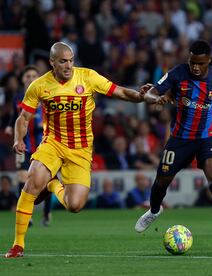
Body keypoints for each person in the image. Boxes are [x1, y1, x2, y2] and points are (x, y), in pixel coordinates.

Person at [5, 42, 149, 258]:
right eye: (63, 61)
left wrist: (139, 96)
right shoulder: (39, 85)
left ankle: (53, 185)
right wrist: (18, 139)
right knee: (32, 182)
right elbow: (23, 118)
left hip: (81, 149)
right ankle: (18, 245)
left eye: (71, 60)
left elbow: (117, 91)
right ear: (52, 62)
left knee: (75, 205)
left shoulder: (88, 77)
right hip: (52, 143)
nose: (68, 65)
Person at [135, 40, 212, 256]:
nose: (195, 67)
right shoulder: (178, 73)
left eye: (200, 63)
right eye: (192, 62)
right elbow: (151, 91)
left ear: (209, 61)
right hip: (180, 139)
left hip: (208, 138)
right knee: (162, 180)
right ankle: (153, 210)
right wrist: (156, 97)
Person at [5, 65, 52, 226]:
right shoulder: (18, 98)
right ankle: (28, 214)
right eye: (27, 76)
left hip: (42, 144)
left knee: (44, 182)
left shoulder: (46, 95)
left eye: (34, 75)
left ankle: (47, 213)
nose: (31, 78)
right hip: (23, 144)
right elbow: (14, 116)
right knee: (22, 177)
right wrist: (10, 126)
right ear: (23, 79)